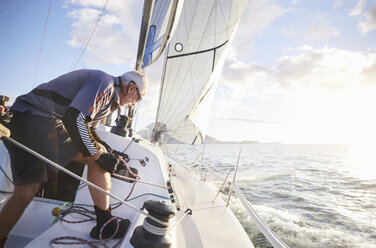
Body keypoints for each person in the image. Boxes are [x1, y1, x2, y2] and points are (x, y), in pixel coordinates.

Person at [0, 69, 149, 246]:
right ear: (132, 88)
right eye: (138, 99)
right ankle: (107, 224)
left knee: (25, 192)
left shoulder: (108, 97)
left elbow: (90, 129)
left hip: (21, 121)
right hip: (37, 120)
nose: (134, 104)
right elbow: (74, 120)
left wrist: (109, 151)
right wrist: (100, 156)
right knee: (95, 160)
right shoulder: (104, 84)